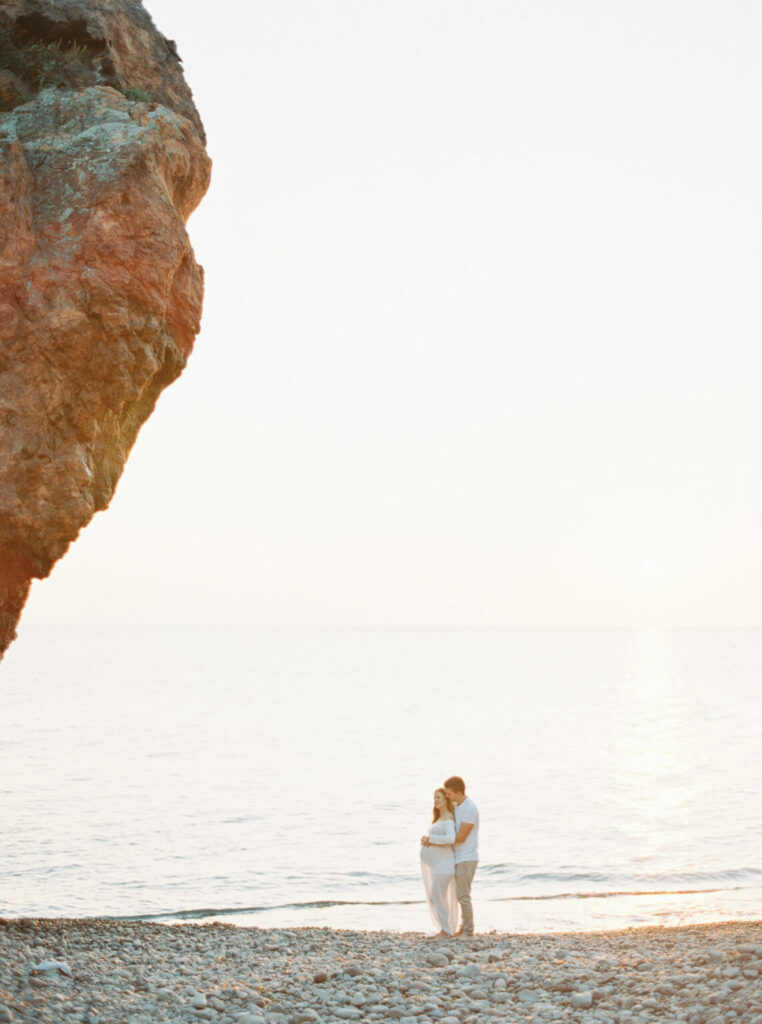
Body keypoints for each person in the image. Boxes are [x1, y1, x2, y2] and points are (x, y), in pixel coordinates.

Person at [443, 775, 479, 937]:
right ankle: (463, 927)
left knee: (463, 895)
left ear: (458, 793)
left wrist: (438, 841)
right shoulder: (457, 807)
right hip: (458, 856)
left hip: (467, 857)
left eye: (449, 793)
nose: (447, 796)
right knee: (460, 893)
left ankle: (469, 930)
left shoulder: (470, 809)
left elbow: (461, 837)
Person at [419, 788, 458, 936]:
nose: (436, 800)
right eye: (434, 798)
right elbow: (436, 838)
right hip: (439, 865)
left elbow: (450, 838)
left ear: (446, 800)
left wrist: (432, 839)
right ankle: (445, 929)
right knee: (438, 896)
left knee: (436, 896)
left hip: (445, 865)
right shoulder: (439, 818)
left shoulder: (448, 817)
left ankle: (446, 930)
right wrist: (426, 838)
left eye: (439, 798)